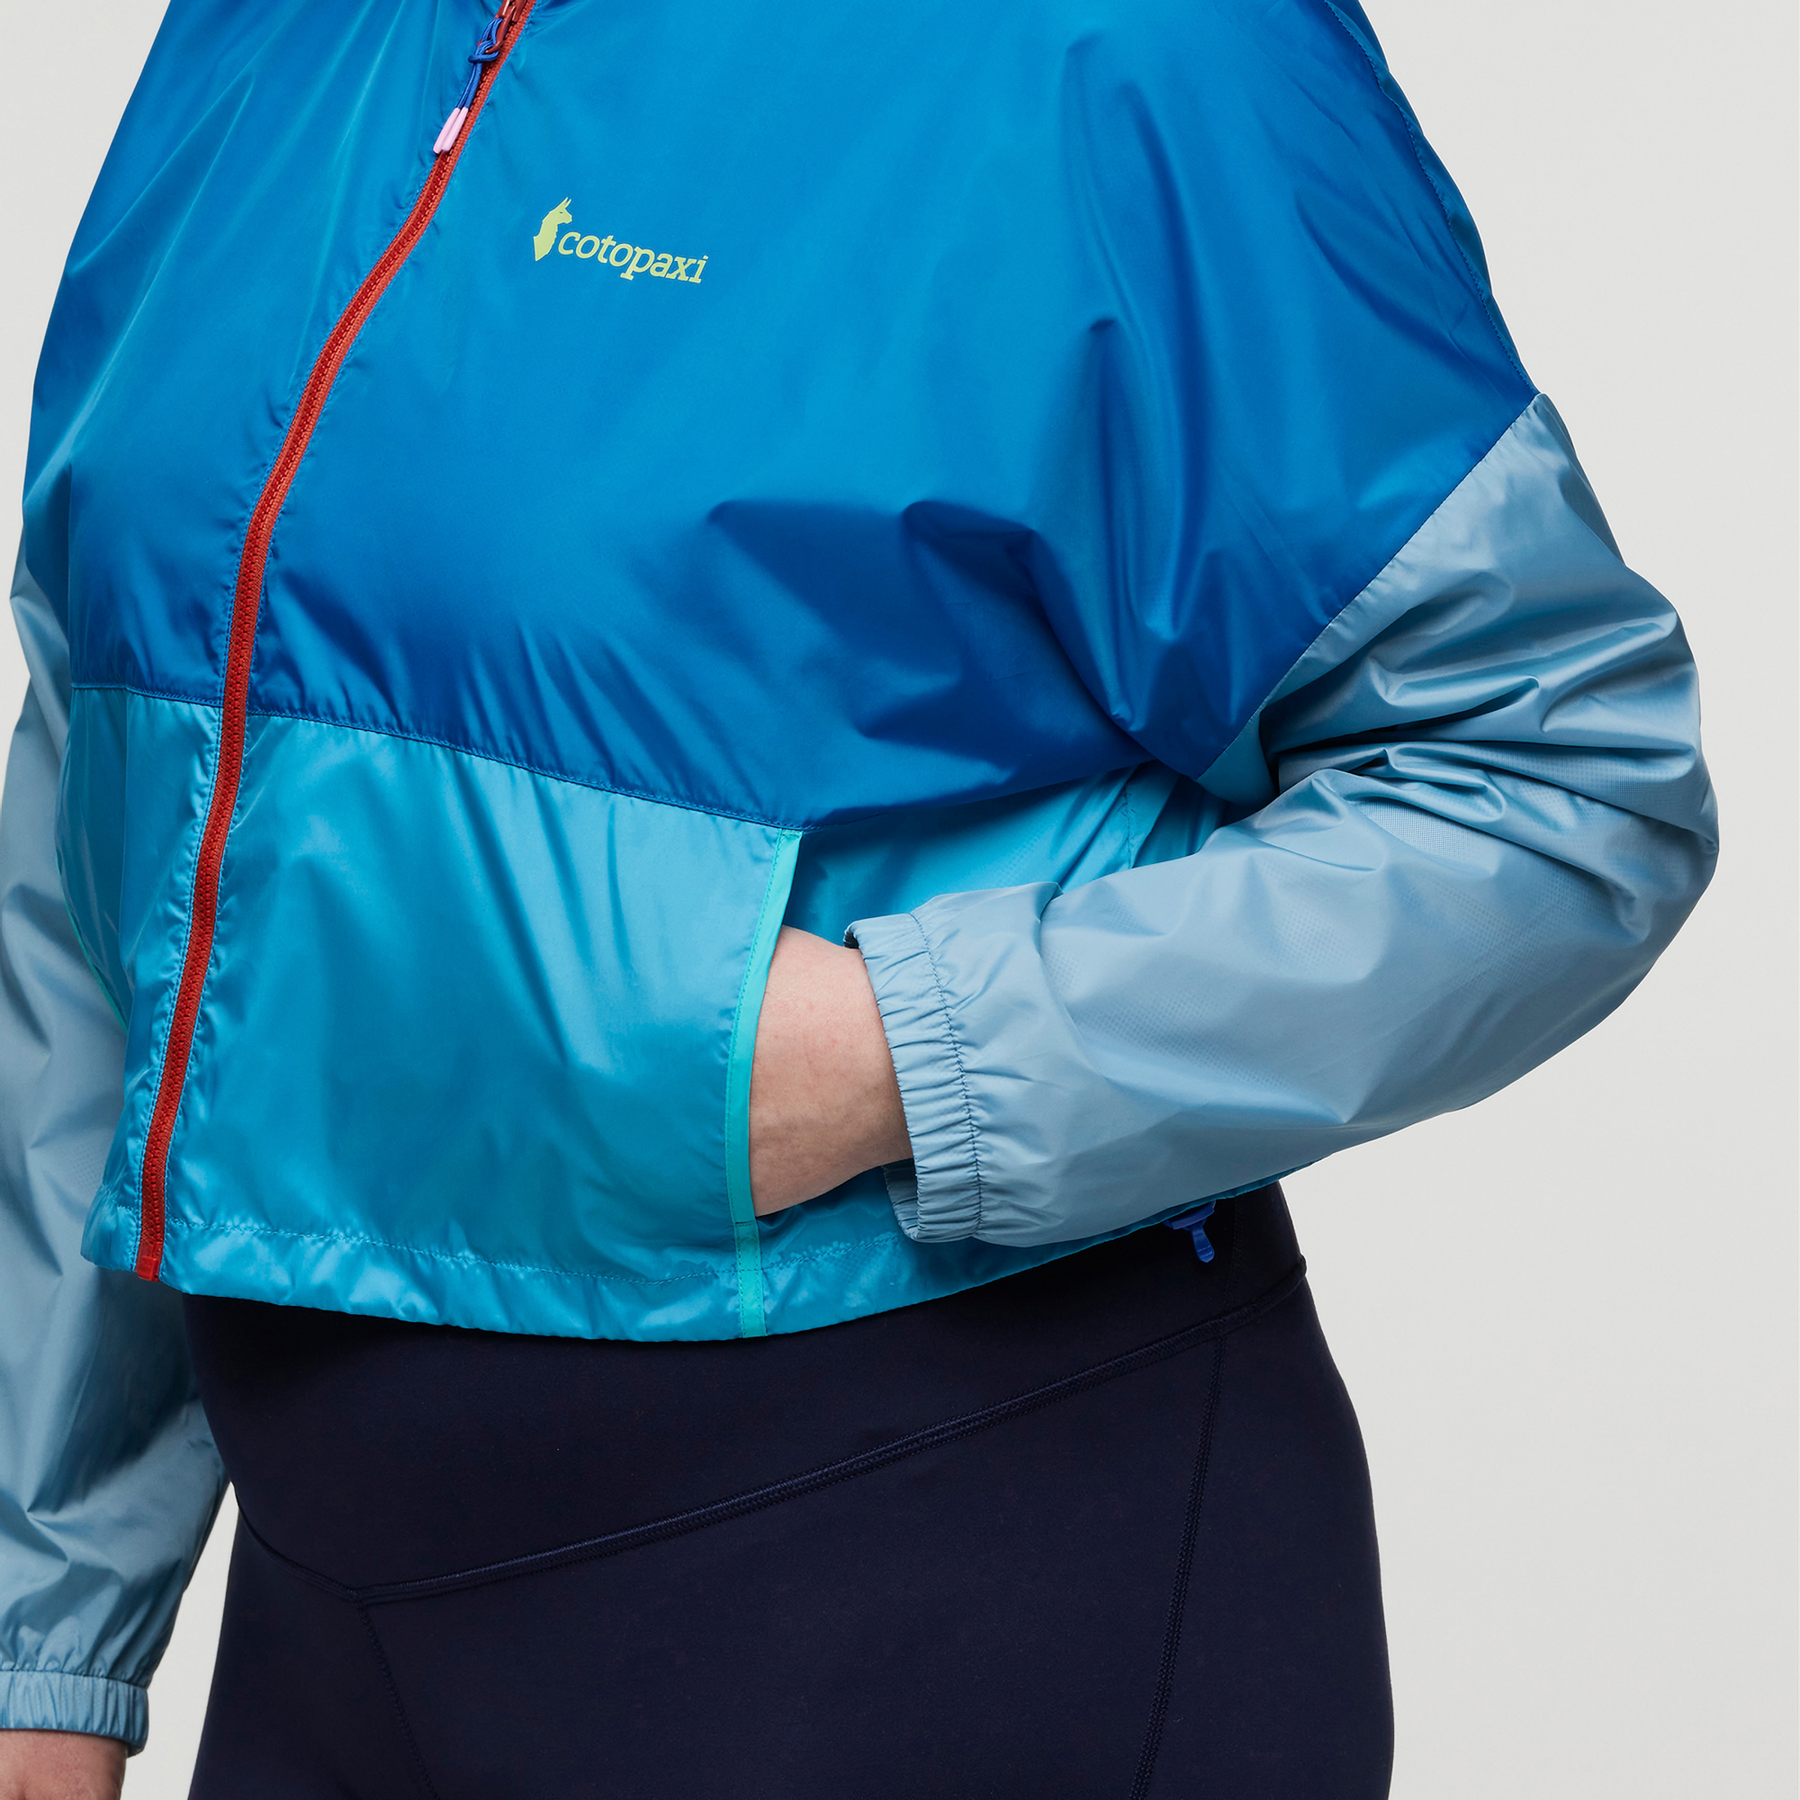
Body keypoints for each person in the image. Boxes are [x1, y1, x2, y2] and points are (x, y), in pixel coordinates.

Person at [0, 0, 1715, 1794]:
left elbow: (1556, 775)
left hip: (920, 1551)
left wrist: (907, 1051)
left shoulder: (1122, 47)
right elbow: (121, 792)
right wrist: (48, 1622)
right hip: (338, 1618)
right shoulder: (268, 32)